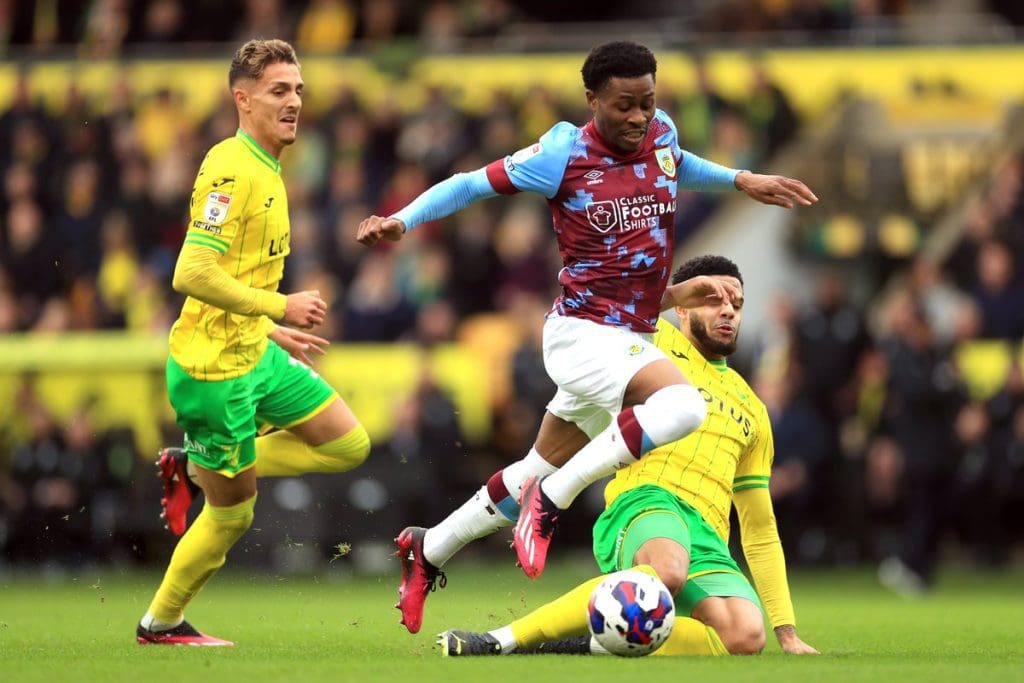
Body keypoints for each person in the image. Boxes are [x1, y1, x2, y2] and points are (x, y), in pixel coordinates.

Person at [356, 40, 816, 634]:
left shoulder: (662, 132)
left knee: (526, 472)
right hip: (580, 335)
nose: (637, 118)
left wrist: (741, 179)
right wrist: (403, 219)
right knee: (681, 406)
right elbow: (470, 183)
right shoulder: (560, 153)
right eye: (624, 105)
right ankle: (555, 500)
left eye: (647, 104)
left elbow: (679, 161)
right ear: (592, 99)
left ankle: (429, 548)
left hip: (629, 341)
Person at [437, 256, 818, 656]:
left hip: (707, 533)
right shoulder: (648, 347)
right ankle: (505, 640)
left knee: (743, 637)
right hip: (647, 501)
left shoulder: (753, 407)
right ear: (684, 307)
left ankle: (591, 643)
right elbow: (593, 316)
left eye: (736, 304)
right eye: (712, 299)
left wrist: (786, 631)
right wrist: (664, 297)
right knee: (666, 572)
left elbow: (759, 527)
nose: (727, 310)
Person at [136, 38, 371, 647]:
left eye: (298, 90)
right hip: (213, 372)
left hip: (256, 351)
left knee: (348, 443)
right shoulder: (228, 167)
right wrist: (280, 305)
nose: (294, 101)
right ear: (242, 99)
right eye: (279, 91)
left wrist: (270, 327)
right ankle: (160, 623)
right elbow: (190, 273)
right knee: (234, 512)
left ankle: (200, 464)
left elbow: (234, 276)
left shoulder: (268, 166)